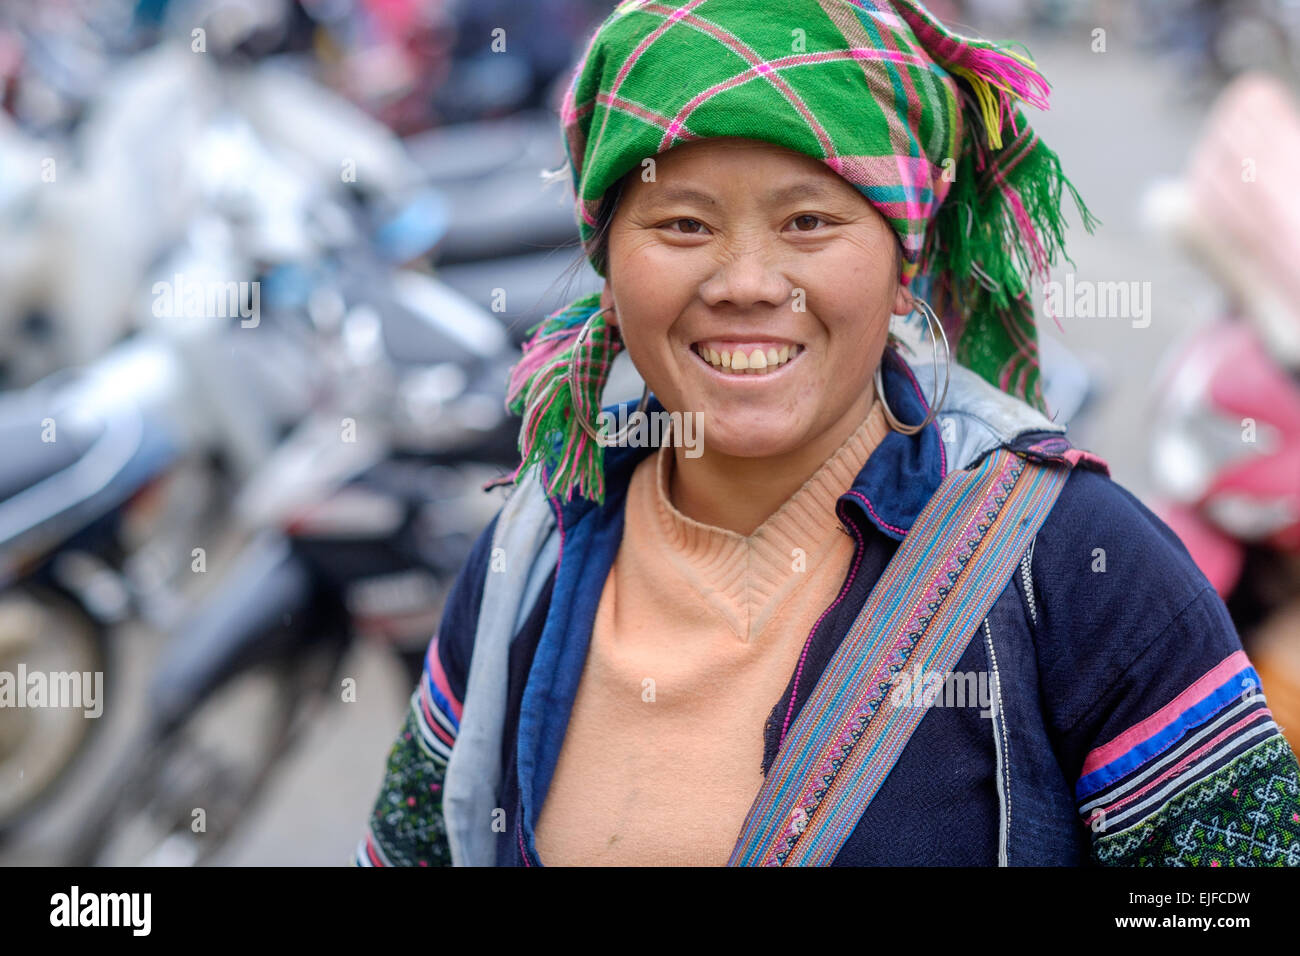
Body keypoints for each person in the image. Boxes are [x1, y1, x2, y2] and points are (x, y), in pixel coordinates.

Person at [354, 0, 1300, 866]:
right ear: (607, 256)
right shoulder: (538, 547)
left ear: (903, 261)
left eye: (809, 222)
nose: (747, 283)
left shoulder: (1076, 564)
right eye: (681, 225)